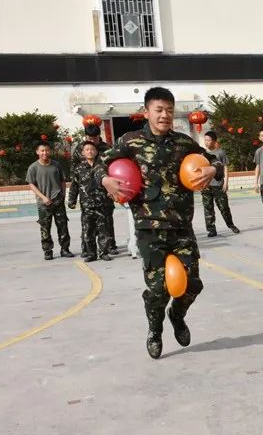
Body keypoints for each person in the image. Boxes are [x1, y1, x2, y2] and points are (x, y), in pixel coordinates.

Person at [96, 87, 225, 359]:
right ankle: (155, 329)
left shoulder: (184, 143)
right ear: (147, 112)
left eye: (169, 110)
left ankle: (177, 316)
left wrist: (213, 168)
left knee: (192, 284)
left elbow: (214, 159)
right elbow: (100, 163)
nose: (165, 115)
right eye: (159, 110)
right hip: (149, 227)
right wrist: (105, 179)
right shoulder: (130, 142)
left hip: (181, 226)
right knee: (158, 290)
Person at [71, 124, 118, 256]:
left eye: (95, 139)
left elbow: (114, 168)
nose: (92, 141)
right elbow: (74, 169)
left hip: (104, 193)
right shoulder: (80, 148)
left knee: (107, 221)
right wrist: (74, 194)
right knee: (87, 224)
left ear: (99, 136)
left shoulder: (107, 148)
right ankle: (87, 249)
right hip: (87, 194)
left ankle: (110, 246)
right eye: (90, 138)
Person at [26, 142, 74, 260]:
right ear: (37, 152)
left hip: (58, 201)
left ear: (50, 151)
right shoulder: (33, 167)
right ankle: (47, 251)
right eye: (42, 150)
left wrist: (62, 195)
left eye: (47, 150)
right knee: (45, 228)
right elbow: (31, 185)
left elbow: (62, 181)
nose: (45, 153)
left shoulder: (56, 165)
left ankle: (65, 249)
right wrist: (43, 197)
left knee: (63, 226)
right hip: (43, 203)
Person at [67, 141, 112, 262]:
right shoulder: (79, 169)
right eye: (87, 149)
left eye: (92, 149)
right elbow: (74, 186)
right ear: (83, 153)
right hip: (87, 205)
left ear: (96, 152)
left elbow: (109, 183)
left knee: (104, 230)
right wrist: (71, 200)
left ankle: (103, 253)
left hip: (102, 204)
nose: (90, 151)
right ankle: (91, 254)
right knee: (88, 231)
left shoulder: (103, 166)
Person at [201, 131, 240, 237]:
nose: (206, 142)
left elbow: (225, 167)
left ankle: (231, 225)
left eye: (208, 140)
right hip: (206, 185)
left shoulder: (220, 153)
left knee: (224, 207)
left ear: (214, 141)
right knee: (208, 208)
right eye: (205, 140)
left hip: (218, 184)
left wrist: (226, 182)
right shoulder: (202, 154)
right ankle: (211, 230)